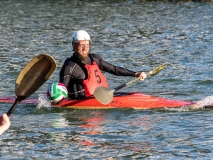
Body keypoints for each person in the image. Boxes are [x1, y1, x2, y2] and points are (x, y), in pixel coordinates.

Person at [60, 30, 146, 99]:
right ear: (73, 45)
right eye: (81, 45)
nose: (85, 48)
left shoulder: (95, 59)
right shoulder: (69, 66)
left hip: (100, 98)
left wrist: (135, 74)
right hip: (79, 103)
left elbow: (114, 69)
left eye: (87, 45)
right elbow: (61, 91)